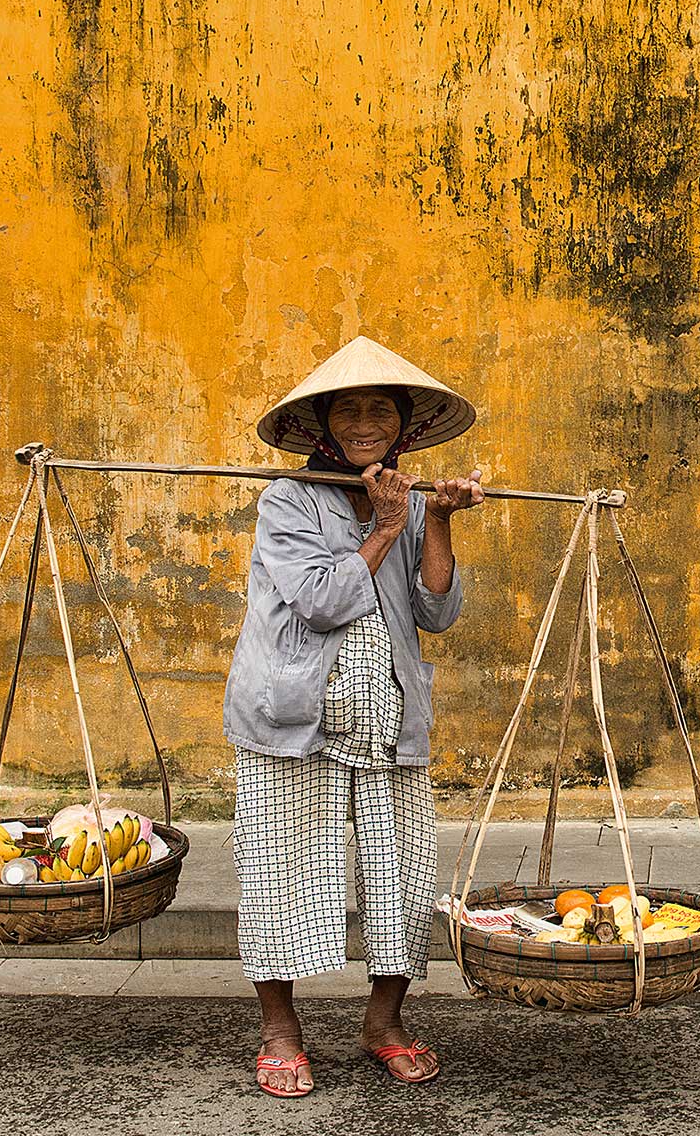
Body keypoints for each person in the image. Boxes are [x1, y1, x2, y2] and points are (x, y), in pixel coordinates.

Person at [222, 336, 486, 1098]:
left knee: (401, 881)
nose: (364, 421)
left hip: (386, 720)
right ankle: (280, 1030)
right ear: (322, 427)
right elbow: (323, 600)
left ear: (403, 427)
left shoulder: (399, 497)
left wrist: (433, 519)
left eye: (379, 409)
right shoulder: (287, 502)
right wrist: (382, 525)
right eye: (348, 409)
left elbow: (436, 609)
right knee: (278, 876)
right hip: (291, 722)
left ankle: (384, 1024)